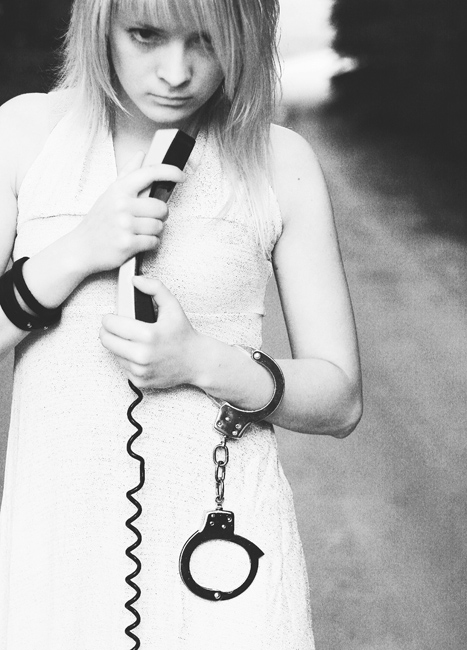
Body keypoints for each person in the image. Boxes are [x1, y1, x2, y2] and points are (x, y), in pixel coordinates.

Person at [0, 0, 362, 648]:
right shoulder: (25, 133)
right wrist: (76, 252)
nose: (176, 72)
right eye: (145, 35)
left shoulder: (280, 160)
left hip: (225, 556)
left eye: (207, 40)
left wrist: (202, 361)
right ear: (101, 22)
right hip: (53, 556)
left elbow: (340, 400)